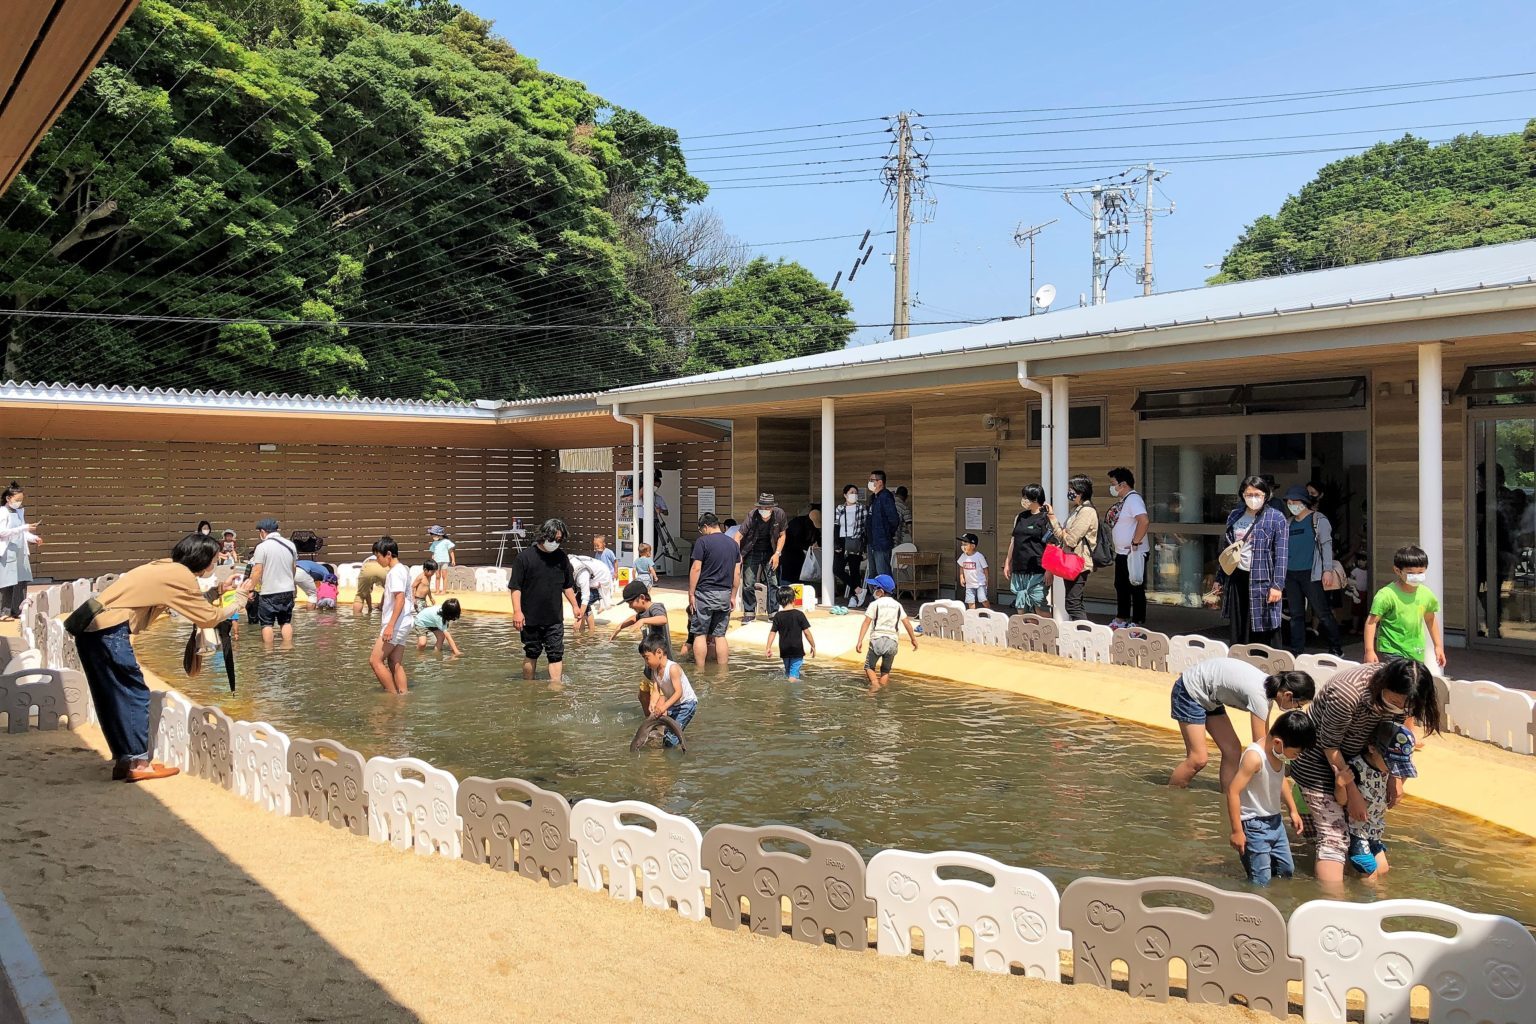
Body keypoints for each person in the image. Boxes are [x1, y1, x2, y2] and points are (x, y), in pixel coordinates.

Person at [67, 533, 241, 781]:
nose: (215, 564)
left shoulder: (165, 567)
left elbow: (182, 603)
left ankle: (125, 761)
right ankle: (139, 763)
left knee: (110, 697)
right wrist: (239, 602)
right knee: (134, 693)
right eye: (214, 560)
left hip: (91, 629)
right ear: (203, 559)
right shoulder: (181, 577)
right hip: (111, 632)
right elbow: (207, 618)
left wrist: (217, 591)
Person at [1288, 659, 1442, 891]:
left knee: (1356, 837)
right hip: (1319, 761)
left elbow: (1393, 738)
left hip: (1358, 764)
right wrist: (1353, 793)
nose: (1399, 709)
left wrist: (1394, 778)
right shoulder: (1347, 693)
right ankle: (1331, 904)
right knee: (1334, 839)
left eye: (1406, 705)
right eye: (1394, 702)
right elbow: (1329, 746)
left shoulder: (1405, 701)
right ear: (1383, 685)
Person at [1168, 659, 1316, 791]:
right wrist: (1283, 766)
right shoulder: (1260, 696)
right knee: (1198, 759)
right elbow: (1260, 745)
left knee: (1232, 750)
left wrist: (1284, 758)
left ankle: (1228, 797)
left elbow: (1267, 738)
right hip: (1190, 691)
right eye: (1298, 705)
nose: (1297, 709)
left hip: (1210, 696)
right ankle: (1171, 797)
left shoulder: (1268, 691)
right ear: (1288, 695)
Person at [1226, 710, 1315, 887]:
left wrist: (1293, 811)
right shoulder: (1254, 758)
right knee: (1261, 881)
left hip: (1275, 822)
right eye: (1296, 753)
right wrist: (1237, 831)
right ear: (1278, 743)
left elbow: (1280, 780)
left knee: (1286, 870)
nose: (1297, 757)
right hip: (1253, 825)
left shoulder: (1277, 754)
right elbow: (1232, 791)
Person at [1210, 477, 1289, 646]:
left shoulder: (1276, 518)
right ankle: (1240, 660)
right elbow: (1227, 551)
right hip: (1237, 577)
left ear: (1266, 495)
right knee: (1239, 623)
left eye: (1257, 494)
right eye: (1249, 494)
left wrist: (1277, 585)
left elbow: (1281, 555)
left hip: (1263, 578)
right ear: (1242, 495)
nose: (1253, 498)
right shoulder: (1235, 516)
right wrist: (1220, 578)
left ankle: (1267, 664)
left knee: (1265, 623)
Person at [509, 518, 584, 685]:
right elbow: (515, 587)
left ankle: (556, 688)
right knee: (531, 652)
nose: (555, 543)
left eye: (559, 540)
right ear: (543, 536)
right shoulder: (524, 558)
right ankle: (528, 687)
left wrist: (575, 606)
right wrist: (517, 611)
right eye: (553, 539)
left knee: (556, 653)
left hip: (554, 617)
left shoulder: (561, 558)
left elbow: (567, 585)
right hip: (530, 617)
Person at [1339, 718, 1418, 876]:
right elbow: (1342, 801)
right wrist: (1341, 785)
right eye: (1391, 763)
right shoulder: (1357, 768)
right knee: (1369, 872)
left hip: (1374, 833)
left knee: (1383, 870)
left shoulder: (1386, 770)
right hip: (1356, 832)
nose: (1394, 769)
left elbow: (1404, 774)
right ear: (1372, 749)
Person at [1281, 485, 1345, 657]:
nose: (1291, 504)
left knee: (1323, 612)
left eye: (1294, 501)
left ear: (1304, 502)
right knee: (1296, 615)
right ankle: (1297, 651)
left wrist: (1327, 570)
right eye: (1289, 501)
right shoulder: (1288, 523)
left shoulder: (1318, 519)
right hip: (1291, 574)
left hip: (1312, 573)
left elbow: (1326, 545)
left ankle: (1336, 648)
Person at [1365, 544, 1447, 669]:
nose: (1416, 576)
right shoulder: (1386, 595)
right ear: (1397, 571)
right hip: (1392, 650)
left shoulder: (1426, 594)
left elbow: (1430, 619)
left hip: (1416, 649)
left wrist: (1438, 646)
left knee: (1413, 682)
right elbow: (1371, 622)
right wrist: (1369, 650)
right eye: (1410, 573)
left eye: (1420, 572)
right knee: (1399, 682)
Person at [687, 513, 741, 667]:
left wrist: (691, 593)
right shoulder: (733, 544)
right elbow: (737, 573)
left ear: (705, 527)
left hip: (704, 593)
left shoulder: (702, 542)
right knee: (720, 635)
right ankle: (723, 672)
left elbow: (696, 568)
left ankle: (699, 671)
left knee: (700, 634)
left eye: (701, 530)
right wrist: (733, 595)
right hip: (724, 594)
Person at [1045, 476, 1099, 621]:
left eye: (1071, 489)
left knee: (1073, 604)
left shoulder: (1087, 512)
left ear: (1080, 492)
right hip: (1071, 561)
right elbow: (1062, 534)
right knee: (1075, 602)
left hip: (1079, 563)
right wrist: (1052, 517)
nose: (1069, 492)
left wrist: (1064, 533)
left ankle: (1084, 635)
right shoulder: (1077, 509)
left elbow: (1070, 539)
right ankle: (1082, 634)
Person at [854, 574, 918, 692]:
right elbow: (907, 623)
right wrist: (913, 639)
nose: (873, 591)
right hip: (892, 642)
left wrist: (859, 641)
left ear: (881, 591)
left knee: (869, 667)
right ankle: (883, 690)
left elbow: (866, 623)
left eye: (875, 588)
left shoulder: (874, 604)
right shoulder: (898, 605)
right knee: (885, 671)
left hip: (877, 640)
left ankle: (875, 686)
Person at [1106, 467, 1149, 629]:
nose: (1112, 487)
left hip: (1134, 553)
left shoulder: (1133, 500)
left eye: (1113, 484)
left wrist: (1136, 542)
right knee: (1121, 585)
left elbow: (1143, 521)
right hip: (1122, 552)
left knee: (1135, 585)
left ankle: (1137, 622)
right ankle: (1121, 617)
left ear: (1123, 484)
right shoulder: (1125, 501)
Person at [369, 536, 412, 693]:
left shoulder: (395, 572)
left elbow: (399, 599)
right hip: (406, 621)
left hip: (397, 623)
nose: (377, 560)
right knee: (394, 662)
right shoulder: (404, 569)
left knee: (375, 660)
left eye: (378, 556)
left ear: (388, 554)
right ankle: (403, 696)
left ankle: (392, 697)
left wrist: (390, 625)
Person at [736, 492, 786, 624]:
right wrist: (737, 555)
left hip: (771, 550)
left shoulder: (779, 514)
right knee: (748, 583)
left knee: (772, 582)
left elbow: (782, 535)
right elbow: (738, 536)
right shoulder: (752, 515)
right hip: (752, 550)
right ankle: (749, 612)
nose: (764, 511)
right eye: (762, 508)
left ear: (772, 508)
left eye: (767, 508)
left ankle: (773, 612)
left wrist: (777, 553)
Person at [639, 635, 697, 748]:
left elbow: (678, 692)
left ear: (659, 653)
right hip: (675, 705)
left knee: (670, 740)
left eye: (647, 658)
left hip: (687, 704)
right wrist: (653, 703)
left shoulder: (672, 668)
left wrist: (664, 706)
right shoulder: (655, 671)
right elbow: (656, 689)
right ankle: (680, 741)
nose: (646, 662)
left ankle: (678, 751)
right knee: (668, 733)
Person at [248, 517, 298, 648]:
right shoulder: (290, 545)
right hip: (287, 590)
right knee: (286, 622)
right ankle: (287, 651)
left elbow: (257, 571)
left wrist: (250, 589)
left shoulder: (262, 547)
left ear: (263, 532)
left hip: (269, 592)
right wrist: (291, 584)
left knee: (267, 624)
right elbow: (293, 568)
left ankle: (268, 654)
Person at [1005, 484, 1049, 614]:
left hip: (1037, 569)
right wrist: (1008, 562)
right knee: (1021, 606)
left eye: (1026, 497)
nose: (1023, 500)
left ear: (1035, 499)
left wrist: (1049, 570)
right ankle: (1026, 633)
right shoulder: (1020, 517)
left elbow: (1051, 545)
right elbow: (1014, 541)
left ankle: (1048, 632)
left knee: (1039, 605)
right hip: (1019, 568)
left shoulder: (1045, 518)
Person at [0, 481, 41, 620]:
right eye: (17, 500)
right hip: (8, 551)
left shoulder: (19, 511)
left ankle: (17, 610)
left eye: (21, 500)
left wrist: (34, 538)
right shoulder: (2, 512)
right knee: (7, 582)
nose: (19, 502)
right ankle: (4, 612)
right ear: (8, 498)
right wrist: (23, 528)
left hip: (20, 550)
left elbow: (22, 532)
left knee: (21, 581)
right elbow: (2, 532)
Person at [611, 580, 672, 661]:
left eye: (630, 603)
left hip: (663, 659)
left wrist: (642, 621)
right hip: (650, 658)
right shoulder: (642, 613)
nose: (630, 606)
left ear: (642, 598)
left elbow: (663, 619)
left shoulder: (656, 607)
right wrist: (620, 627)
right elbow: (634, 618)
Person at [765, 586, 816, 679]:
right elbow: (807, 632)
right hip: (797, 650)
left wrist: (768, 647)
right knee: (793, 675)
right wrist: (813, 645)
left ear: (779, 602)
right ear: (794, 599)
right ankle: (793, 689)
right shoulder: (799, 615)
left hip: (784, 650)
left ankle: (789, 684)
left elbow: (772, 632)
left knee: (788, 672)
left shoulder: (778, 616)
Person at [832, 484, 868, 606]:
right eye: (851, 492)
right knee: (837, 569)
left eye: (856, 492)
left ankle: (854, 598)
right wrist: (836, 543)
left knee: (854, 570)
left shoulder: (862, 508)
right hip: (842, 540)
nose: (854, 494)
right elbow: (836, 525)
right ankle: (858, 590)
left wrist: (864, 545)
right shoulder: (839, 508)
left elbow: (865, 527)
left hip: (855, 540)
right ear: (845, 495)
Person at [864, 470, 902, 587]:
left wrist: (885, 534)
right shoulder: (873, 498)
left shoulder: (885, 497)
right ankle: (876, 597)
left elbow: (894, 519)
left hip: (881, 541)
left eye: (872, 480)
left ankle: (887, 598)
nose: (869, 482)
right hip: (872, 541)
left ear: (880, 482)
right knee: (873, 573)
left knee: (883, 572)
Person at [570, 553, 613, 633]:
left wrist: (578, 620)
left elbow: (586, 598)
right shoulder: (568, 562)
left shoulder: (581, 574)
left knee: (584, 605)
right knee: (578, 602)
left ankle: (591, 632)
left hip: (601, 580)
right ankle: (581, 630)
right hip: (593, 577)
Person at [780, 504, 821, 586]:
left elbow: (817, 539)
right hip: (789, 554)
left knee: (798, 580)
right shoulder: (798, 524)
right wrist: (808, 546)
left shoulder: (808, 525)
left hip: (801, 556)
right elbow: (794, 541)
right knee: (788, 580)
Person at [956, 533, 990, 608]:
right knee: (970, 601)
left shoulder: (979, 556)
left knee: (982, 599)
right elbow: (961, 566)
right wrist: (961, 577)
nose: (963, 547)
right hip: (969, 584)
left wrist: (987, 580)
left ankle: (989, 612)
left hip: (980, 583)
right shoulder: (963, 556)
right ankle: (972, 616)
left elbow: (985, 568)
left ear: (973, 546)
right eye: (962, 544)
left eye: (965, 544)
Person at [354, 545, 387, 613]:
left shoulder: (367, 559)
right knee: (388, 590)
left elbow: (366, 593)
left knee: (360, 596)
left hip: (368, 565)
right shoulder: (384, 556)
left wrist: (370, 608)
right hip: (383, 567)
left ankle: (357, 620)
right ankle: (381, 607)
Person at [427, 525, 455, 595]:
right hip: (436, 561)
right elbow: (433, 553)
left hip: (445, 561)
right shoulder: (434, 543)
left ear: (439, 535)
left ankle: (444, 590)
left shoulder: (446, 541)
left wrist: (453, 560)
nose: (433, 537)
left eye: (434, 535)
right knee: (437, 576)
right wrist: (432, 560)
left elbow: (451, 551)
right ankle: (437, 590)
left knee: (444, 576)